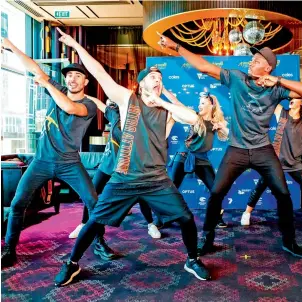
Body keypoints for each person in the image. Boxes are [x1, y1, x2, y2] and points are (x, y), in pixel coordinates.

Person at [54, 28, 210, 287]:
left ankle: (192, 259)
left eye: (160, 77)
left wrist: (163, 102)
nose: (157, 79)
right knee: (94, 221)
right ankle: (71, 264)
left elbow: (195, 119)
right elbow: (99, 73)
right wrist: (74, 44)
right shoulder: (128, 100)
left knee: (185, 218)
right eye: (152, 76)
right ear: (142, 83)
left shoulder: (168, 112)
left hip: (156, 179)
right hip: (124, 177)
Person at [158, 33, 302, 258]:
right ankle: (207, 237)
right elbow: (204, 67)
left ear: (268, 68)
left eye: (257, 61)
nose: (252, 62)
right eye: (252, 60)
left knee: (283, 195)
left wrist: (279, 81)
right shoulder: (236, 78)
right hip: (237, 149)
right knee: (216, 194)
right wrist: (176, 46)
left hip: (263, 150)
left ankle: (289, 241)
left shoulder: (276, 89)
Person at [0, 38, 113, 268]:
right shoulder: (58, 89)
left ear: (86, 81)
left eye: (77, 75)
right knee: (18, 202)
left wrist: (46, 84)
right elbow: (33, 66)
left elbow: (70, 107)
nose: (72, 78)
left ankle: (99, 242)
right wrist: (11, 46)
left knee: (94, 202)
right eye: (69, 75)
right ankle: (10, 249)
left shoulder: (89, 106)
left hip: (70, 163)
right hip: (41, 161)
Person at [68, 97, 161, 240]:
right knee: (91, 192)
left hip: (130, 167)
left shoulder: (139, 120)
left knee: (141, 195)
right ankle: (83, 224)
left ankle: (150, 224)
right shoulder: (114, 114)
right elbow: (101, 104)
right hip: (108, 164)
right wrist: (86, 96)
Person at [241, 99, 302, 228]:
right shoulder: (282, 113)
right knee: (261, 185)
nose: (291, 100)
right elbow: (271, 98)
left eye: (295, 98)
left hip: (295, 163)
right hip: (275, 161)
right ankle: (247, 213)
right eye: (291, 98)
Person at [163, 89, 229, 228]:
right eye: (199, 102)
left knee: (215, 189)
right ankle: (163, 218)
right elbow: (177, 103)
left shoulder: (216, 122)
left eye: (203, 103)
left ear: (212, 105)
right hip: (184, 155)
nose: (199, 105)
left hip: (202, 159)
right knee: (172, 187)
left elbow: (227, 135)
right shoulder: (194, 116)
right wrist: (163, 90)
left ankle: (217, 217)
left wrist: (221, 127)